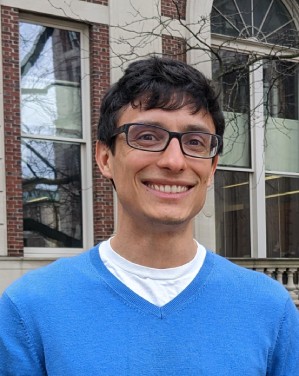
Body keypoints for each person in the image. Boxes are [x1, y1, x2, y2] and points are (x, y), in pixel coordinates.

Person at [0, 57, 298, 375]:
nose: (174, 161)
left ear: (212, 168)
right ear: (105, 158)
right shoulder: (30, 309)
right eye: (146, 137)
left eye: (195, 142)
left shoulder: (270, 309)